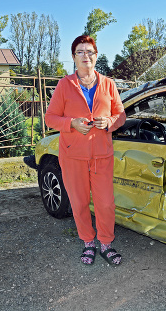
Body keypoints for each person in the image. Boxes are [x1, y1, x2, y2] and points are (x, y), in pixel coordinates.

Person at [45, 35, 126, 266]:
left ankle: (106, 244)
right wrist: (71, 123)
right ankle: (88, 243)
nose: (85, 56)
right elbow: (50, 117)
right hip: (73, 155)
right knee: (79, 202)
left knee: (105, 203)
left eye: (89, 51)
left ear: (96, 56)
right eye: (80, 52)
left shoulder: (108, 84)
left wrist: (109, 122)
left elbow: (121, 115)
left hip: (102, 154)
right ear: (73, 57)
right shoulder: (64, 85)